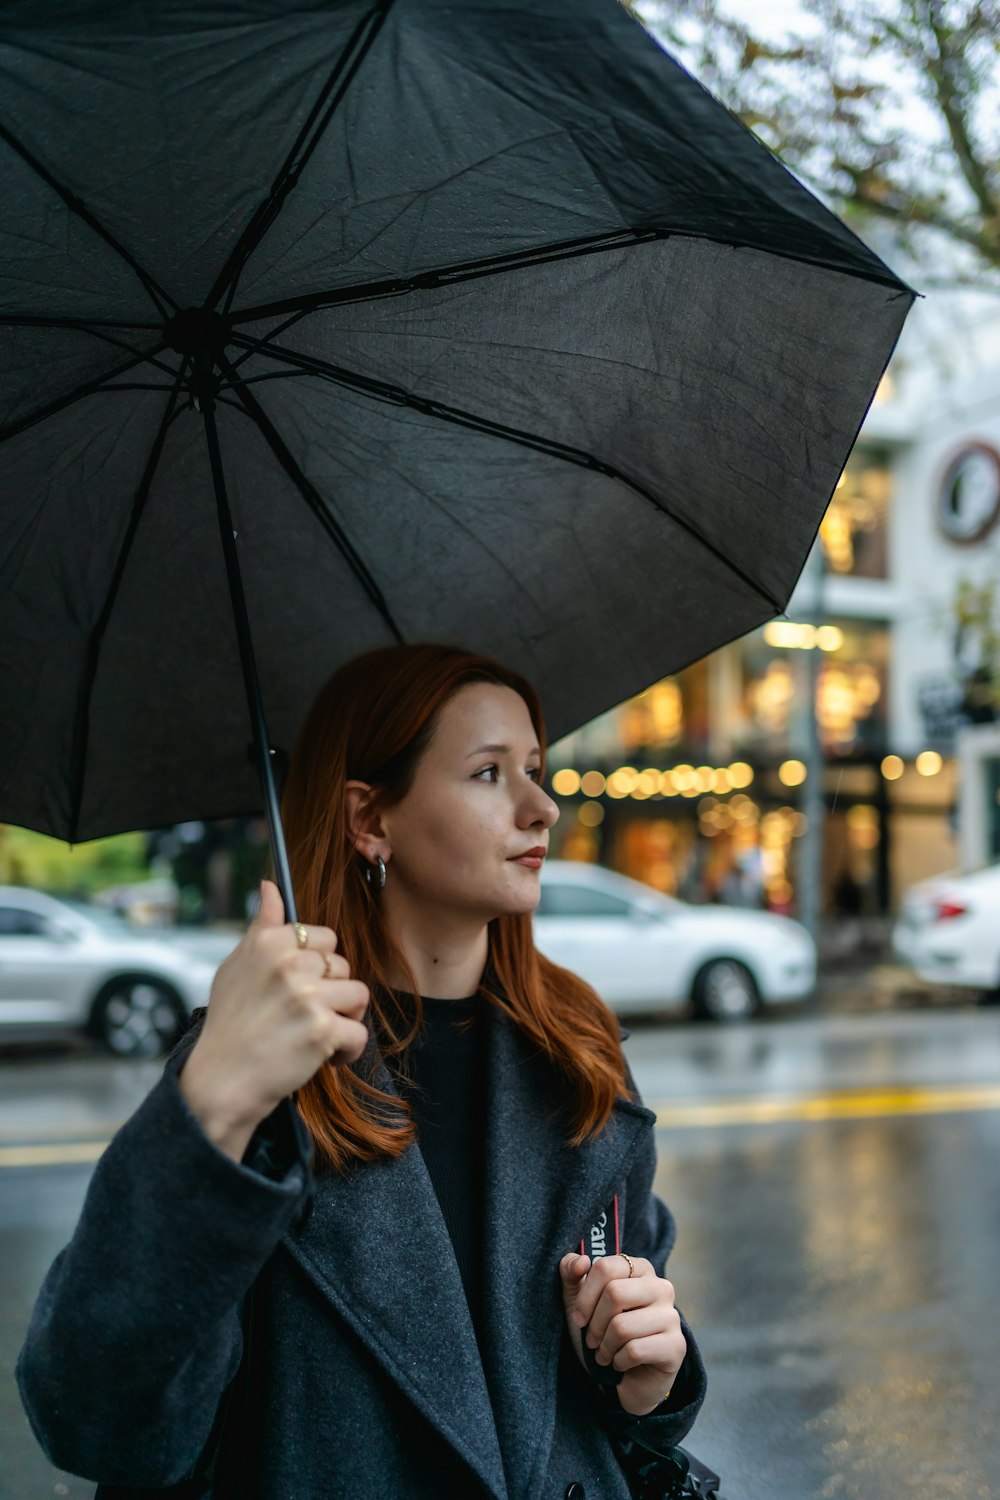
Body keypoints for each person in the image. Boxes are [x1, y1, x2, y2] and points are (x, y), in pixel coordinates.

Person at [17, 643, 706, 1499]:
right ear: (369, 820)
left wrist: (647, 1376)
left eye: (536, 767)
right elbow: (100, 1421)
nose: (542, 808)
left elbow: (620, 1377)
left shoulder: (580, 1048)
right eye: (490, 774)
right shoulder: (263, 1057)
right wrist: (213, 1103)